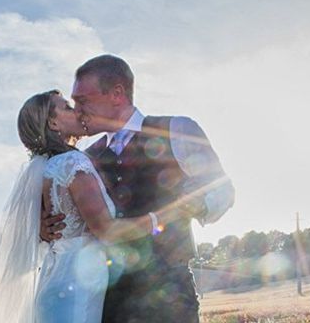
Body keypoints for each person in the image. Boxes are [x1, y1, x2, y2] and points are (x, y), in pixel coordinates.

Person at [41, 54, 235, 323]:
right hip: (110, 299)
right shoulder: (86, 159)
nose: (78, 110)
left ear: (117, 94)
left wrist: (196, 205)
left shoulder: (176, 129)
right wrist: (46, 228)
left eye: (83, 100)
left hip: (171, 296)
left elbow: (223, 190)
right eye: (73, 103)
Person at [0, 89, 187, 323]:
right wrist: (163, 218)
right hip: (75, 288)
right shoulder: (73, 163)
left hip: (57, 279)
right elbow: (106, 230)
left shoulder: (47, 167)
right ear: (53, 123)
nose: (76, 111)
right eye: (67, 107)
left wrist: (40, 230)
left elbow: (39, 223)